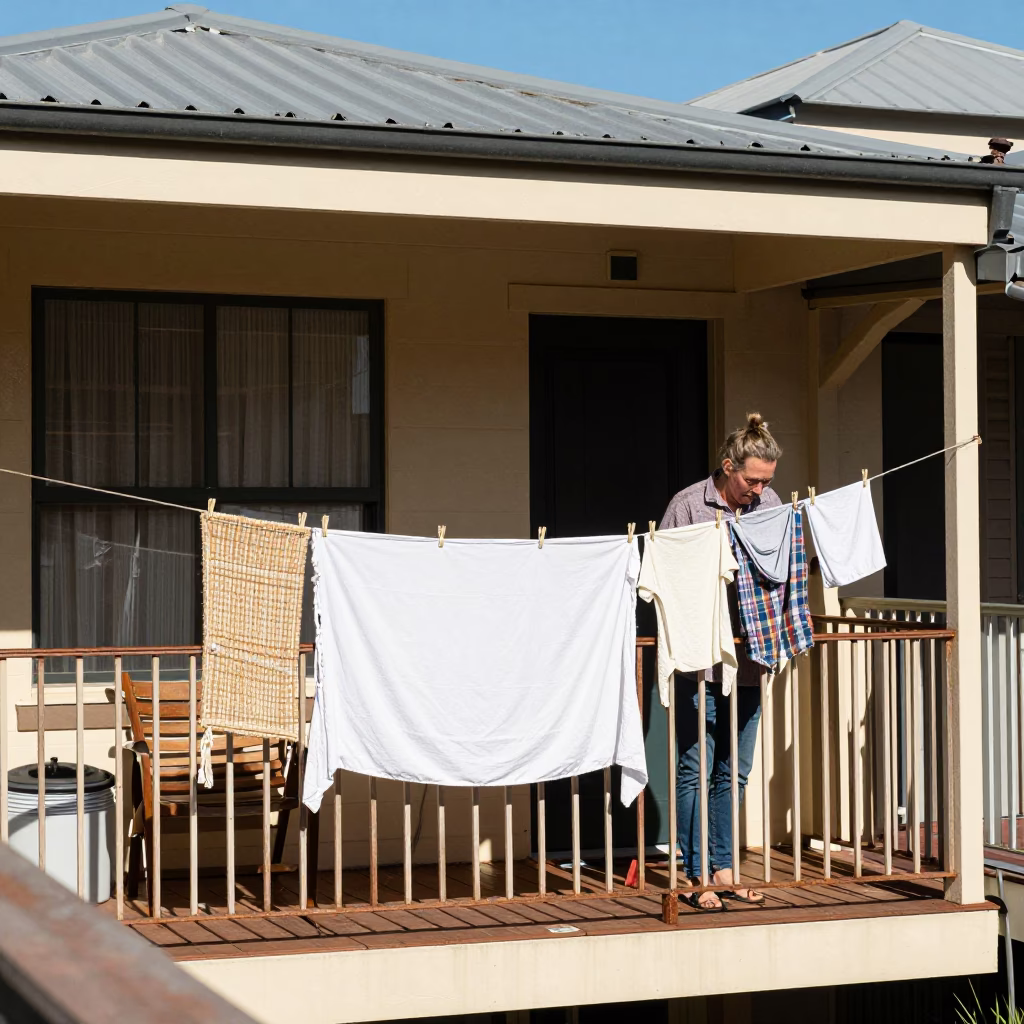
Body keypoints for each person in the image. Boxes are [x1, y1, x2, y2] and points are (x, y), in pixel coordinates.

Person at [659, 412, 782, 911]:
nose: (758, 490)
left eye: (766, 481)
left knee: (735, 771)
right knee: (695, 767)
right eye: (751, 480)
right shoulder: (687, 506)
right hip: (700, 659)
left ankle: (725, 868)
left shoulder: (770, 505)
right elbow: (662, 573)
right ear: (727, 466)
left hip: (750, 657)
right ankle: (695, 876)